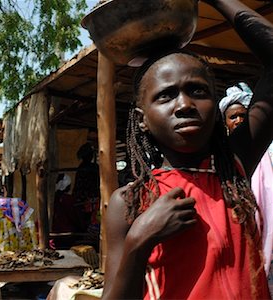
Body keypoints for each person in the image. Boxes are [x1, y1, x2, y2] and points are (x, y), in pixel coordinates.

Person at [101, 0, 273, 299]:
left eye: (197, 90)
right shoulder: (129, 201)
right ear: (142, 120)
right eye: (166, 95)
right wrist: (140, 240)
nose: (184, 105)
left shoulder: (232, 170)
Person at [219, 82, 273, 291]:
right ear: (225, 123)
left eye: (243, 115)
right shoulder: (222, 157)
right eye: (233, 117)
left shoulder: (268, 151)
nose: (239, 121)